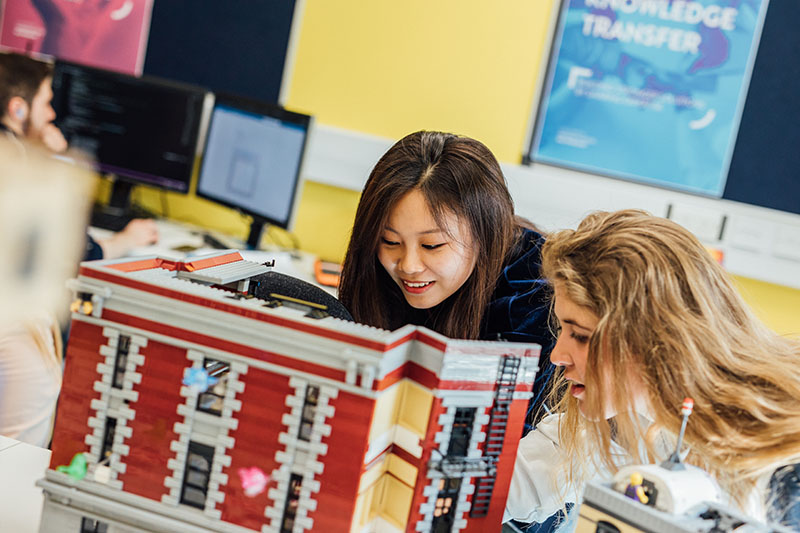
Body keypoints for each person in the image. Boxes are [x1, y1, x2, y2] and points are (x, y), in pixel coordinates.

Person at [506, 209, 800, 529]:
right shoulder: (613, 423)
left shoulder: (783, 469)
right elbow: (497, 490)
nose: (558, 355)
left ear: (656, 337)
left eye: (581, 335)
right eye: (562, 329)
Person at [338, 130, 555, 419]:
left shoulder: (532, 290)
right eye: (390, 241)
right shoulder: (375, 272)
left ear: (485, 236)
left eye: (432, 245)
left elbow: (503, 435)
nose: (408, 266)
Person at [0, 50, 158, 259]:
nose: (51, 114)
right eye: (46, 103)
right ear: (17, 109)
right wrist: (127, 240)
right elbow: (79, 253)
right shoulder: (17, 170)